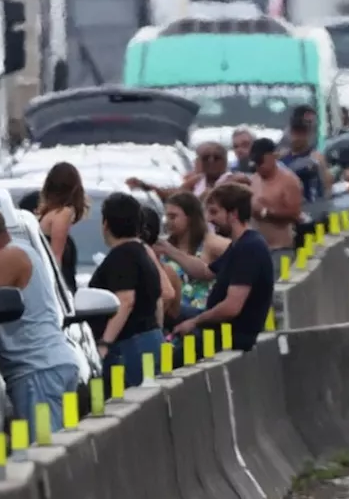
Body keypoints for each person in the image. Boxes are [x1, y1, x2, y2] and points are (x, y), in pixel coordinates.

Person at [0, 205, 80, 430]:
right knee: (59, 449)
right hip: (51, 365)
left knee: (45, 452)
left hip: (38, 370)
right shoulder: (21, 249)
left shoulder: (9, 256)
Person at [173, 183, 275, 353]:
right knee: (173, 309)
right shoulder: (239, 244)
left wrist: (195, 322)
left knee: (161, 364)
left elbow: (231, 307)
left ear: (233, 214)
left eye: (214, 212)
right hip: (218, 328)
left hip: (230, 336)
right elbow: (206, 272)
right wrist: (168, 250)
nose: (209, 220)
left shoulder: (249, 248)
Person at [88, 192, 165, 388]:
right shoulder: (142, 252)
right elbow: (158, 300)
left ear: (105, 224)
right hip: (149, 338)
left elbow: (125, 301)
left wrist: (105, 343)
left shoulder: (122, 257)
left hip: (131, 346)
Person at [153, 191, 229, 325]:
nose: (168, 222)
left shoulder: (210, 243)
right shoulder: (164, 245)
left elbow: (242, 254)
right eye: (166, 217)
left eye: (173, 217)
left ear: (190, 217)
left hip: (200, 315)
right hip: (171, 314)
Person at [36, 162, 86, 294]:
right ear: (75, 188)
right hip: (60, 296)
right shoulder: (63, 213)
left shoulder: (46, 215)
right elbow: (55, 258)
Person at [247, 138, 303, 251]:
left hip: (281, 247)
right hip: (258, 248)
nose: (258, 167)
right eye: (255, 163)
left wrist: (265, 212)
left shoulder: (289, 181)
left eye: (261, 162)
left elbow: (295, 214)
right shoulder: (253, 179)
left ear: (272, 157)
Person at [128, 142, 234, 201]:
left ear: (225, 161)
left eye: (216, 158)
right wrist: (144, 186)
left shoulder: (233, 181)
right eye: (206, 158)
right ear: (198, 161)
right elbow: (174, 194)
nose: (211, 161)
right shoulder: (197, 181)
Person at [279, 106, 331, 203]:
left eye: (303, 131)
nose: (298, 136)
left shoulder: (317, 159)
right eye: (296, 131)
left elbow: (327, 190)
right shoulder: (281, 159)